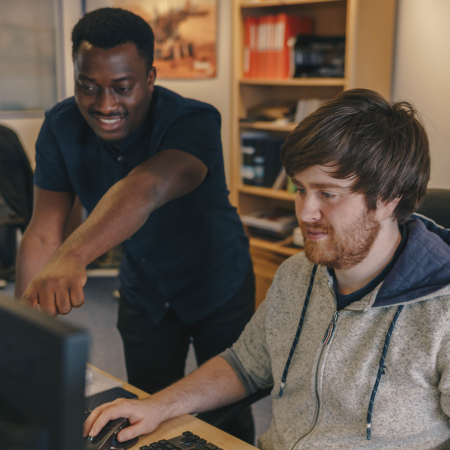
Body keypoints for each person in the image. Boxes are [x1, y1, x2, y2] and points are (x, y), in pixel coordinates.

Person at [84, 89, 450, 449]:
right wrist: (158, 405)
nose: (306, 213)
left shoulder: (442, 312)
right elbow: (245, 365)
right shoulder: (297, 274)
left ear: (388, 200)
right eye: (299, 189)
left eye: (328, 194)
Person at [15, 8, 255, 442]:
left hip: (216, 285)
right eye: (88, 87)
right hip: (144, 292)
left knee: (225, 418)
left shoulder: (194, 120)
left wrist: (71, 255)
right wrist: (17, 339)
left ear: (150, 77)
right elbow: (43, 231)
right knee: (144, 410)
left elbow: (145, 188)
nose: (105, 104)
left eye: (122, 88)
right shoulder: (60, 126)